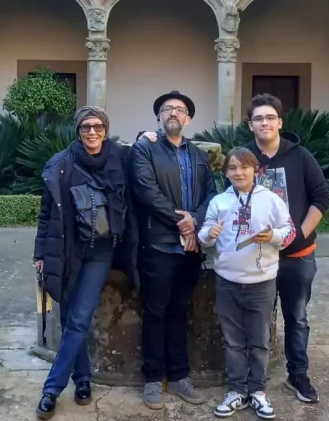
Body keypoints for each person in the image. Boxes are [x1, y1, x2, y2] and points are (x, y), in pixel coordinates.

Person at [33, 106, 138, 420]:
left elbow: (148, 155)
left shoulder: (120, 158)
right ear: (77, 131)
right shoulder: (61, 165)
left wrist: (149, 136)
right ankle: (82, 381)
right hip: (68, 250)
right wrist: (40, 254)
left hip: (100, 252)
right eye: (85, 128)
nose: (92, 132)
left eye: (98, 127)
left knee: (78, 320)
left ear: (106, 129)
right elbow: (45, 215)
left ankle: (51, 389)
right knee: (68, 321)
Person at [129, 90, 218, 410]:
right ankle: (153, 379)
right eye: (167, 109)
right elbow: (145, 191)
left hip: (191, 247)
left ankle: (180, 376)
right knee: (155, 311)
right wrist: (182, 222)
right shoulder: (145, 149)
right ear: (159, 117)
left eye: (179, 110)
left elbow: (212, 195)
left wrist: (194, 220)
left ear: (188, 119)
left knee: (181, 310)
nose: (173, 114)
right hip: (159, 245)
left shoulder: (198, 154)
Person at [198, 147, 296, 419]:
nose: (238, 173)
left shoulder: (271, 199)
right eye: (232, 168)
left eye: (244, 167)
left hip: (261, 283)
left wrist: (273, 235)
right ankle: (237, 391)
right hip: (227, 281)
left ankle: (258, 390)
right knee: (232, 341)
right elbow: (204, 237)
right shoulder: (219, 202)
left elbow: (290, 232)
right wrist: (209, 233)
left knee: (260, 340)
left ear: (256, 170)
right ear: (226, 172)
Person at [245, 93, 329, 403]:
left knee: (297, 317)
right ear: (250, 124)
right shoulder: (244, 160)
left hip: (297, 256)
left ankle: (298, 374)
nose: (264, 122)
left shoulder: (300, 156)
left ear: (280, 122)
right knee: (255, 320)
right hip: (257, 257)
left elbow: (321, 198)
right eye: (258, 118)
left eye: (270, 117)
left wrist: (299, 235)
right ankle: (253, 380)